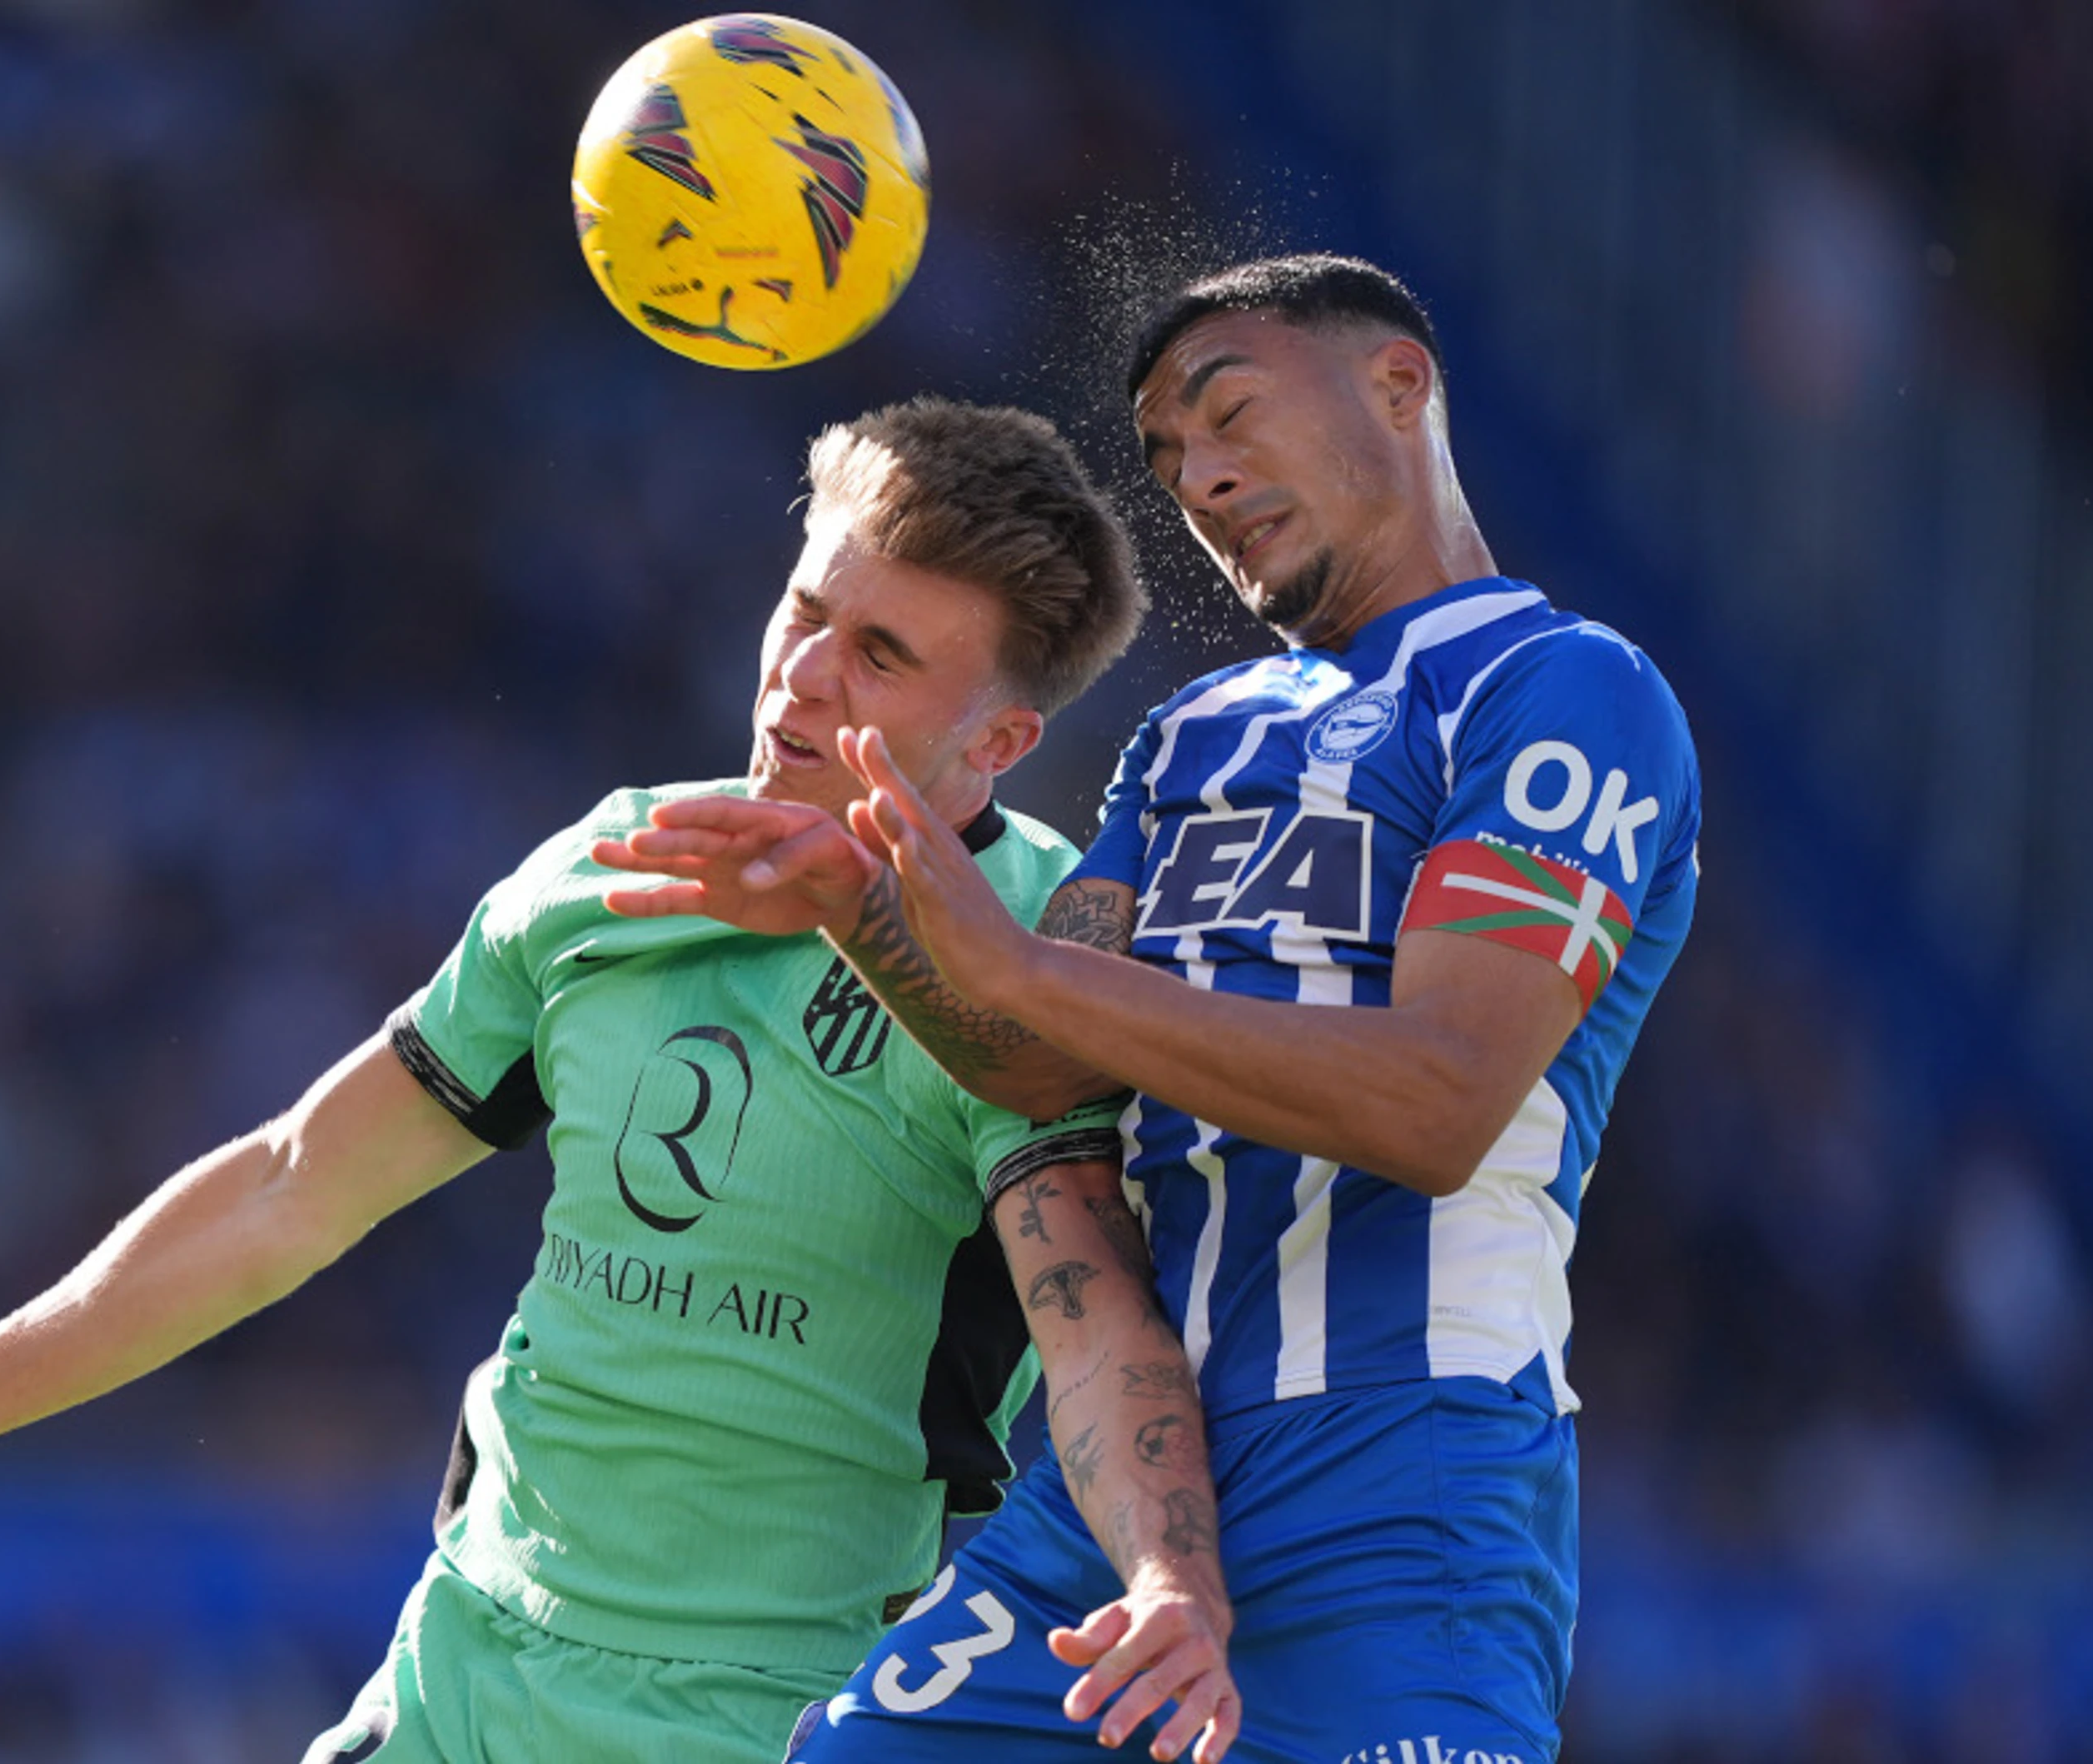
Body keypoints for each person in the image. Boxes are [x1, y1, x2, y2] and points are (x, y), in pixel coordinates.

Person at [0, 398, 1247, 1764]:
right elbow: (296, 1183)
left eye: (883, 655)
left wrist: (1171, 1578)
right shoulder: (610, 867)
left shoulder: (1040, 970)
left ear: (1002, 738)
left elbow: (1099, 1318)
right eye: (804, 609)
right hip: (469, 1660)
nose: (802, 676)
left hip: (779, 1707)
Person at [596, 254, 1701, 1762]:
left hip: (1401, 1492)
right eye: (1170, 457)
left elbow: (1440, 1102)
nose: (1203, 475)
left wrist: (1024, 963)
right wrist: (852, 904)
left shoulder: (1565, 690)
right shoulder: (1193, 736)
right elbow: (1043, 1061)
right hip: (1120, 1491)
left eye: (1231, 412)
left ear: (1401, 385)